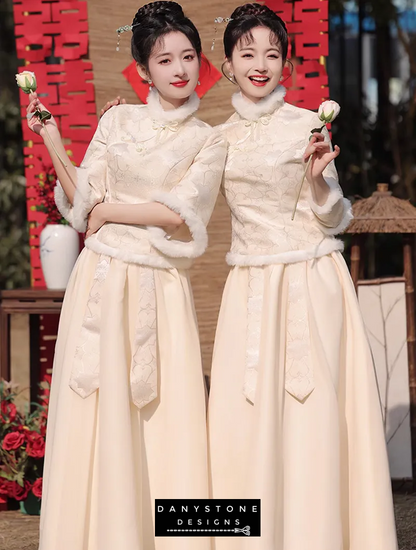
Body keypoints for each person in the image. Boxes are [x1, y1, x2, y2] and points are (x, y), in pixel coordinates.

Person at [25, 2, 226, 549]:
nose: (180, 69)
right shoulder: (117, 119)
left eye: (188, 56)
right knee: (97, 407)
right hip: (100, 280)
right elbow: (82, 200)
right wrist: (50, 139)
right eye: (165, 59)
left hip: (158, 285)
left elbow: (182, 214)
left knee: (164, 415)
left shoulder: (209, 139)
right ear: (143, 69)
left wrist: (112, 212)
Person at [207, 4, 398, 550]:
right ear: (228, 66)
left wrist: (318, 181)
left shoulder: (309, 124)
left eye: (272, 52)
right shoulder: (215, 139)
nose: (260, 63)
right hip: (249, 287)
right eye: (248, 53)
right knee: (248, 421)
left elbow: (337, 217)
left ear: (287, 63)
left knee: (315, 417)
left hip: (313, 281)